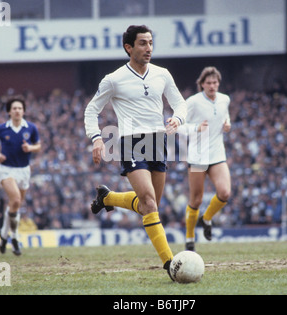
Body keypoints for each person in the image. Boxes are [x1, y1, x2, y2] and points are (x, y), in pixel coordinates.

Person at [84, 25, 187, 280]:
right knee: (149, 202)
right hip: (130, 142)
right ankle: (170, 265)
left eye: (150, 42)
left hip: (158, 142)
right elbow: (90, 110)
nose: (148, 48)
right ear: (129, 47)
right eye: (142, 43)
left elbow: (180, 103)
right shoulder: (114, 79)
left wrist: (178, 119)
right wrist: (97, 138)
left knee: (148, 206)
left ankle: (108, 199)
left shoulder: (162, 74)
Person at [179, 67, 231, 251]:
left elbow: (225, 116)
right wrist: (195, 129)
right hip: (198, 156)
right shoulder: (192, 102)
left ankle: (207, 218)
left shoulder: (225, 99)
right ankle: (189, 238)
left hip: (217, 154)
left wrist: (227, 124)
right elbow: (178, 126)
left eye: (215, 82)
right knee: (196, 200)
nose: (212, 86)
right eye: (208, 83)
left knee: (225, 193)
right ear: (202, 84)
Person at [0, 98, 41, 255]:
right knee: (15, 200)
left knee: (14, 206)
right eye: (14, 108)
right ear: (9, 111)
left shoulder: (31, 128)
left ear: (23, 111)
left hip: (24, 170)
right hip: (6, 170)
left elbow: (38, 146)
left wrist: (30, 147)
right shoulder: (1, 128)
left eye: (20, 108)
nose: (17, 110)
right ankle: (15, 238)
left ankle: (3, 236)